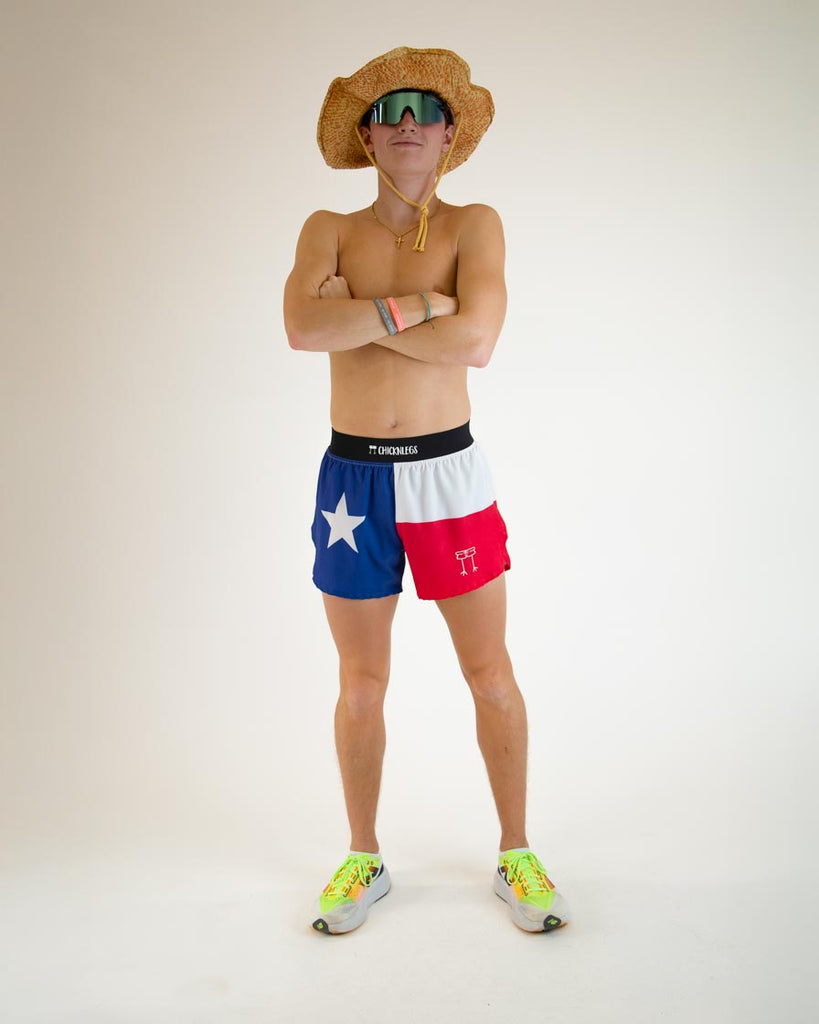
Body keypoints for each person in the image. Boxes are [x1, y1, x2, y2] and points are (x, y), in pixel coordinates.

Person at [283, 46, 568, 935]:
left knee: (488, 672)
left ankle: (516, 852)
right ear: (367, 135)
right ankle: (362, 857)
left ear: (447, 135)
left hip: (447, 478)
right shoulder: (326, 227)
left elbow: (478, 343)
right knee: (361, 680)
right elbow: (300, 327)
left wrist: (360, 320)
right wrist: (421, 309)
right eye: (390, 108)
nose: (407, 120)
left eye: (425, 108)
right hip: (351, 481)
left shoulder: (473, 224)